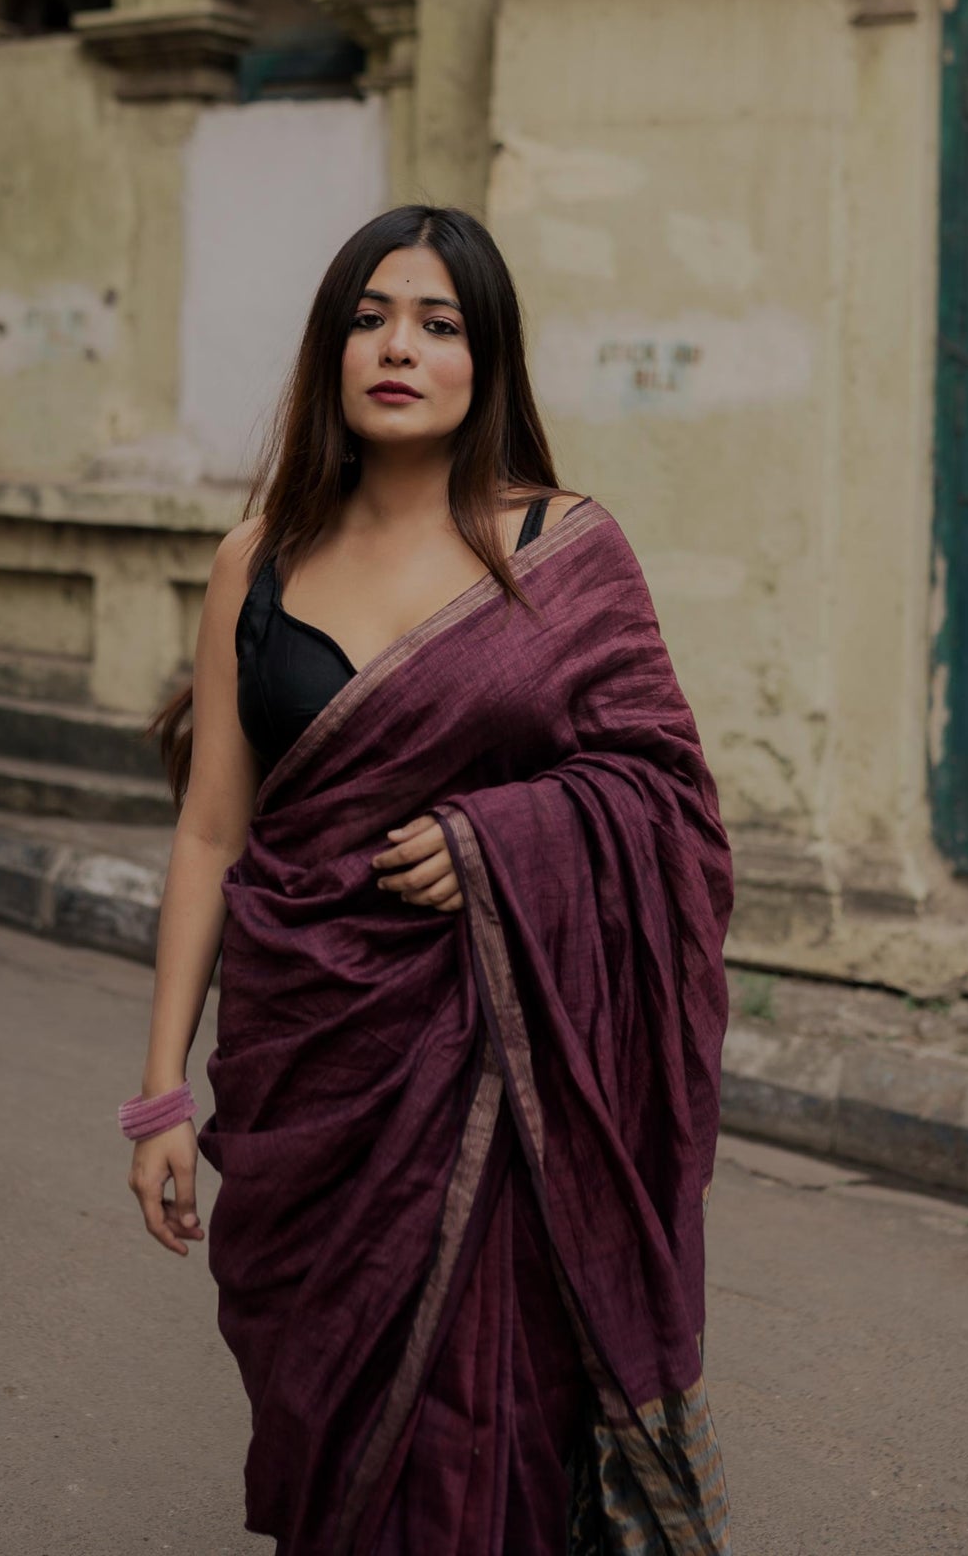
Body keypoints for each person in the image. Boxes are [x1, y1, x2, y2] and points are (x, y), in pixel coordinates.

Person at [122, 204, 734, 1556]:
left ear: (484, 360)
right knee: (330, 1408)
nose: (397, 346)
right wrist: (162, 1088)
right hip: (311, 1073)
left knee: (482, 1423)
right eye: (368, 316)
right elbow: (214, 833)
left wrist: (501, 844)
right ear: (330, 350)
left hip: (493, 1072)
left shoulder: (563, 551)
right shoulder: (257, 562)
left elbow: (667, 796)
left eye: (438, 323)